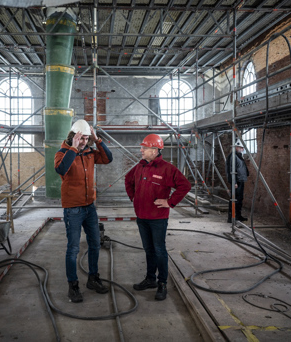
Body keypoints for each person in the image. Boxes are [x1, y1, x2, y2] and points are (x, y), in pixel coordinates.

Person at [125, 134, 191, 301]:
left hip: (157, 219)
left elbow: (185, 185)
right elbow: (128, 179)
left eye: (144, 148)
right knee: (149, 250)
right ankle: (150, 279)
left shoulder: (167, 169)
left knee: (159, 250)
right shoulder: (140, 167)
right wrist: (133, 197)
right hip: (142, 217)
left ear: (154, 151)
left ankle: (162, 283)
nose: (141, 150)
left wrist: (170, 202)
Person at [55, 119, 113, 303]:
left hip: (89, 207)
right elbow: (62, 169)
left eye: (86, 138)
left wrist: (97, 140)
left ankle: (93, 278)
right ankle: (73, 286)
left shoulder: (90, 152)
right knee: (72, 249)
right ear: (73, 136)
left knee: (95, 244)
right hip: (73, 209)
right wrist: (73, 148)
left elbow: (108, 158)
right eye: (81, 138)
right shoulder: (62, 153)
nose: (84, 142)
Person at [226, 139, 249, 223]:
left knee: (239, 198)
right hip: (237, 181)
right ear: (236, 147)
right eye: (241, 148)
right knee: (234, 198)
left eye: (242, 148)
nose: (242, 149)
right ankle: (231, 217)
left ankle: (238, 216)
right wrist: (234, 182)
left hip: (240, 179)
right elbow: (231, 169)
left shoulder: (238, 155)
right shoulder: (233, 156)